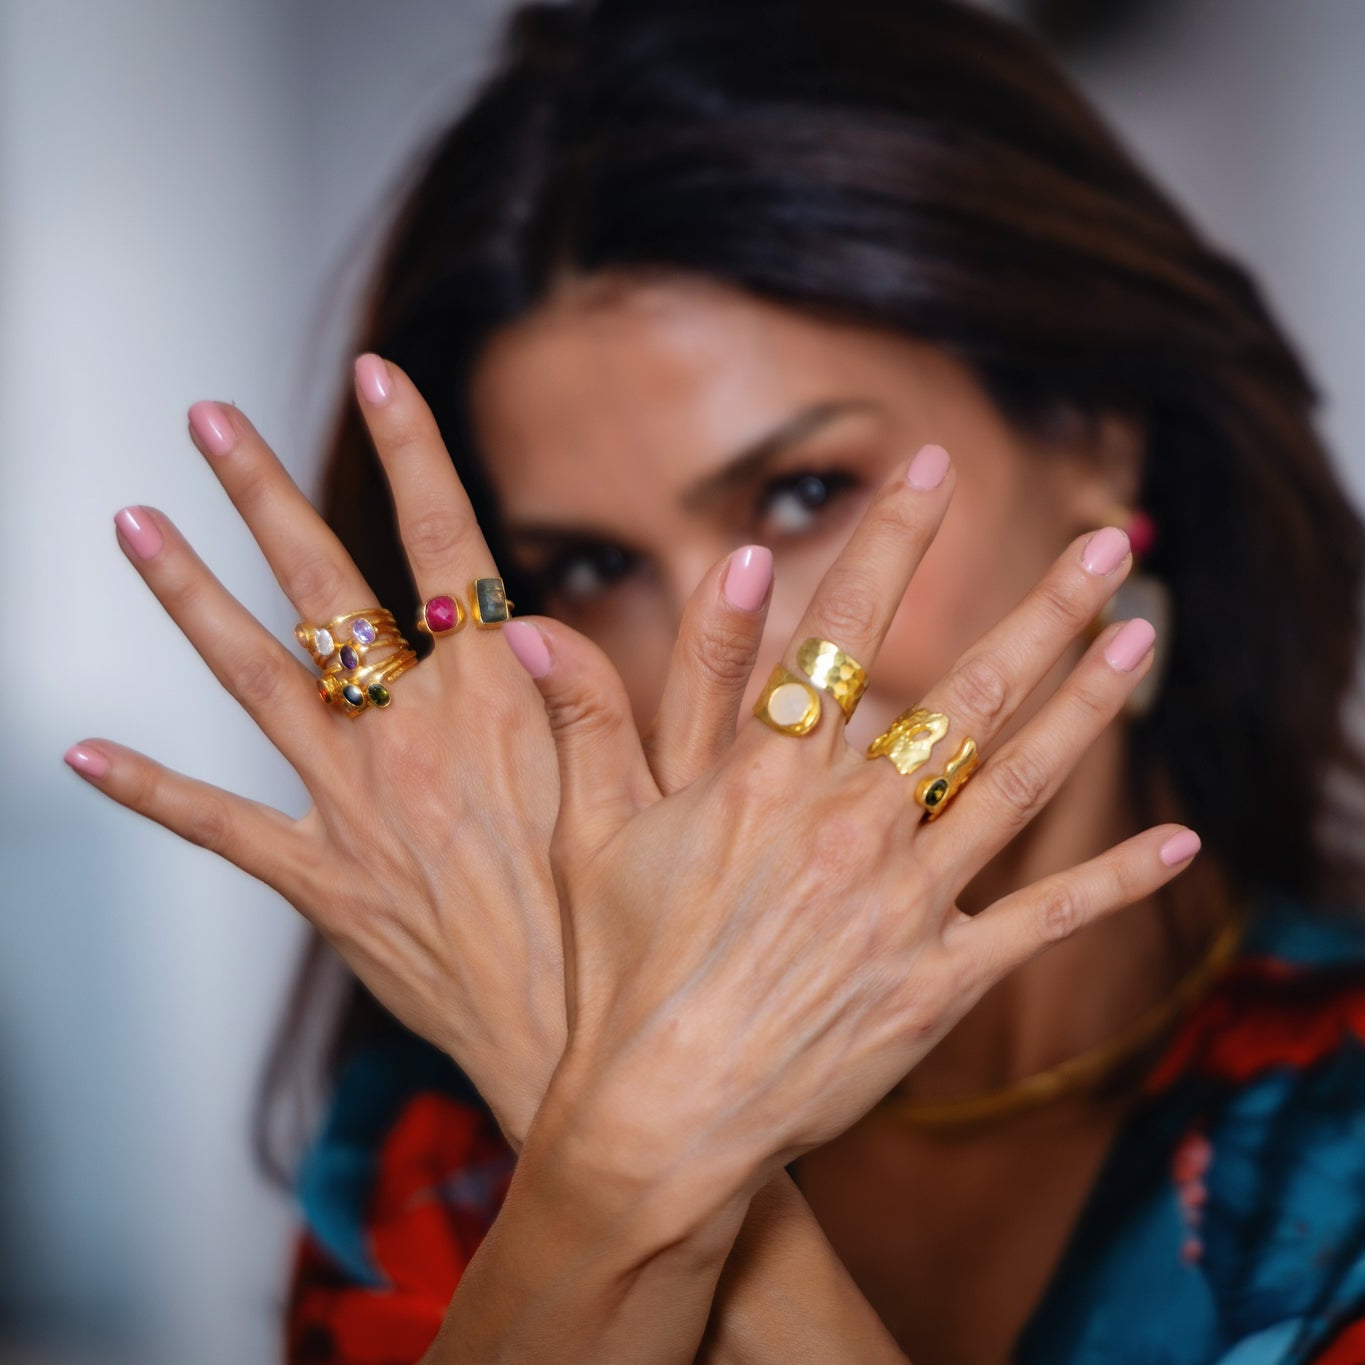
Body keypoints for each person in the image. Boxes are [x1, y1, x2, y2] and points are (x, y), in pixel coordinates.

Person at [63, 0, 1365, 1361]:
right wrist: (594, 1130)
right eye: (586, 565)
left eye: (803, 491)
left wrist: (603, 1127)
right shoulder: (437, 1139)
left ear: (1094, 439)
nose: (716, 654)